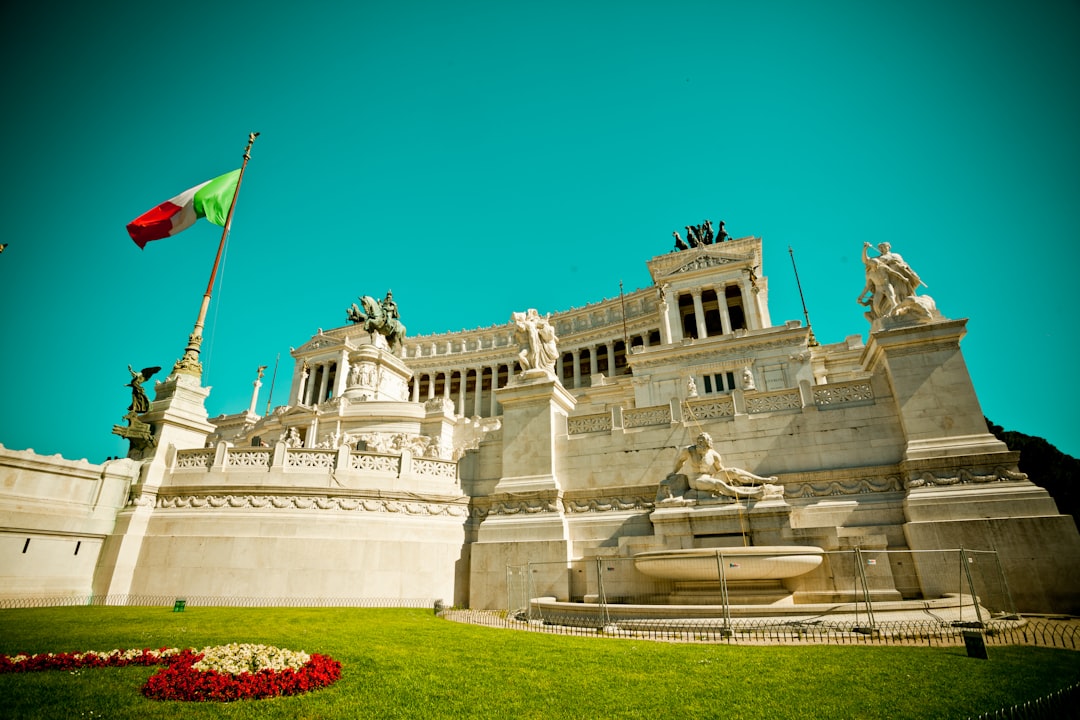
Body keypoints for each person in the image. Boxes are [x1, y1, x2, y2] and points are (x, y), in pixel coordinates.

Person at [658, 432, 778, 501]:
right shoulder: (689, 450)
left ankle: (763, 480)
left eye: (703, 442)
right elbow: (680, 461)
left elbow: (721, 470)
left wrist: (731, 478)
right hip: (696, 481)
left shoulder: (714, 455)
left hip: (709, 477)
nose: (700, 444)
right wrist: (673, 472)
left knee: (733, 471)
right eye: (698, 441)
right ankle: (752, 495)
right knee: (718, 484)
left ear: (708, 444)